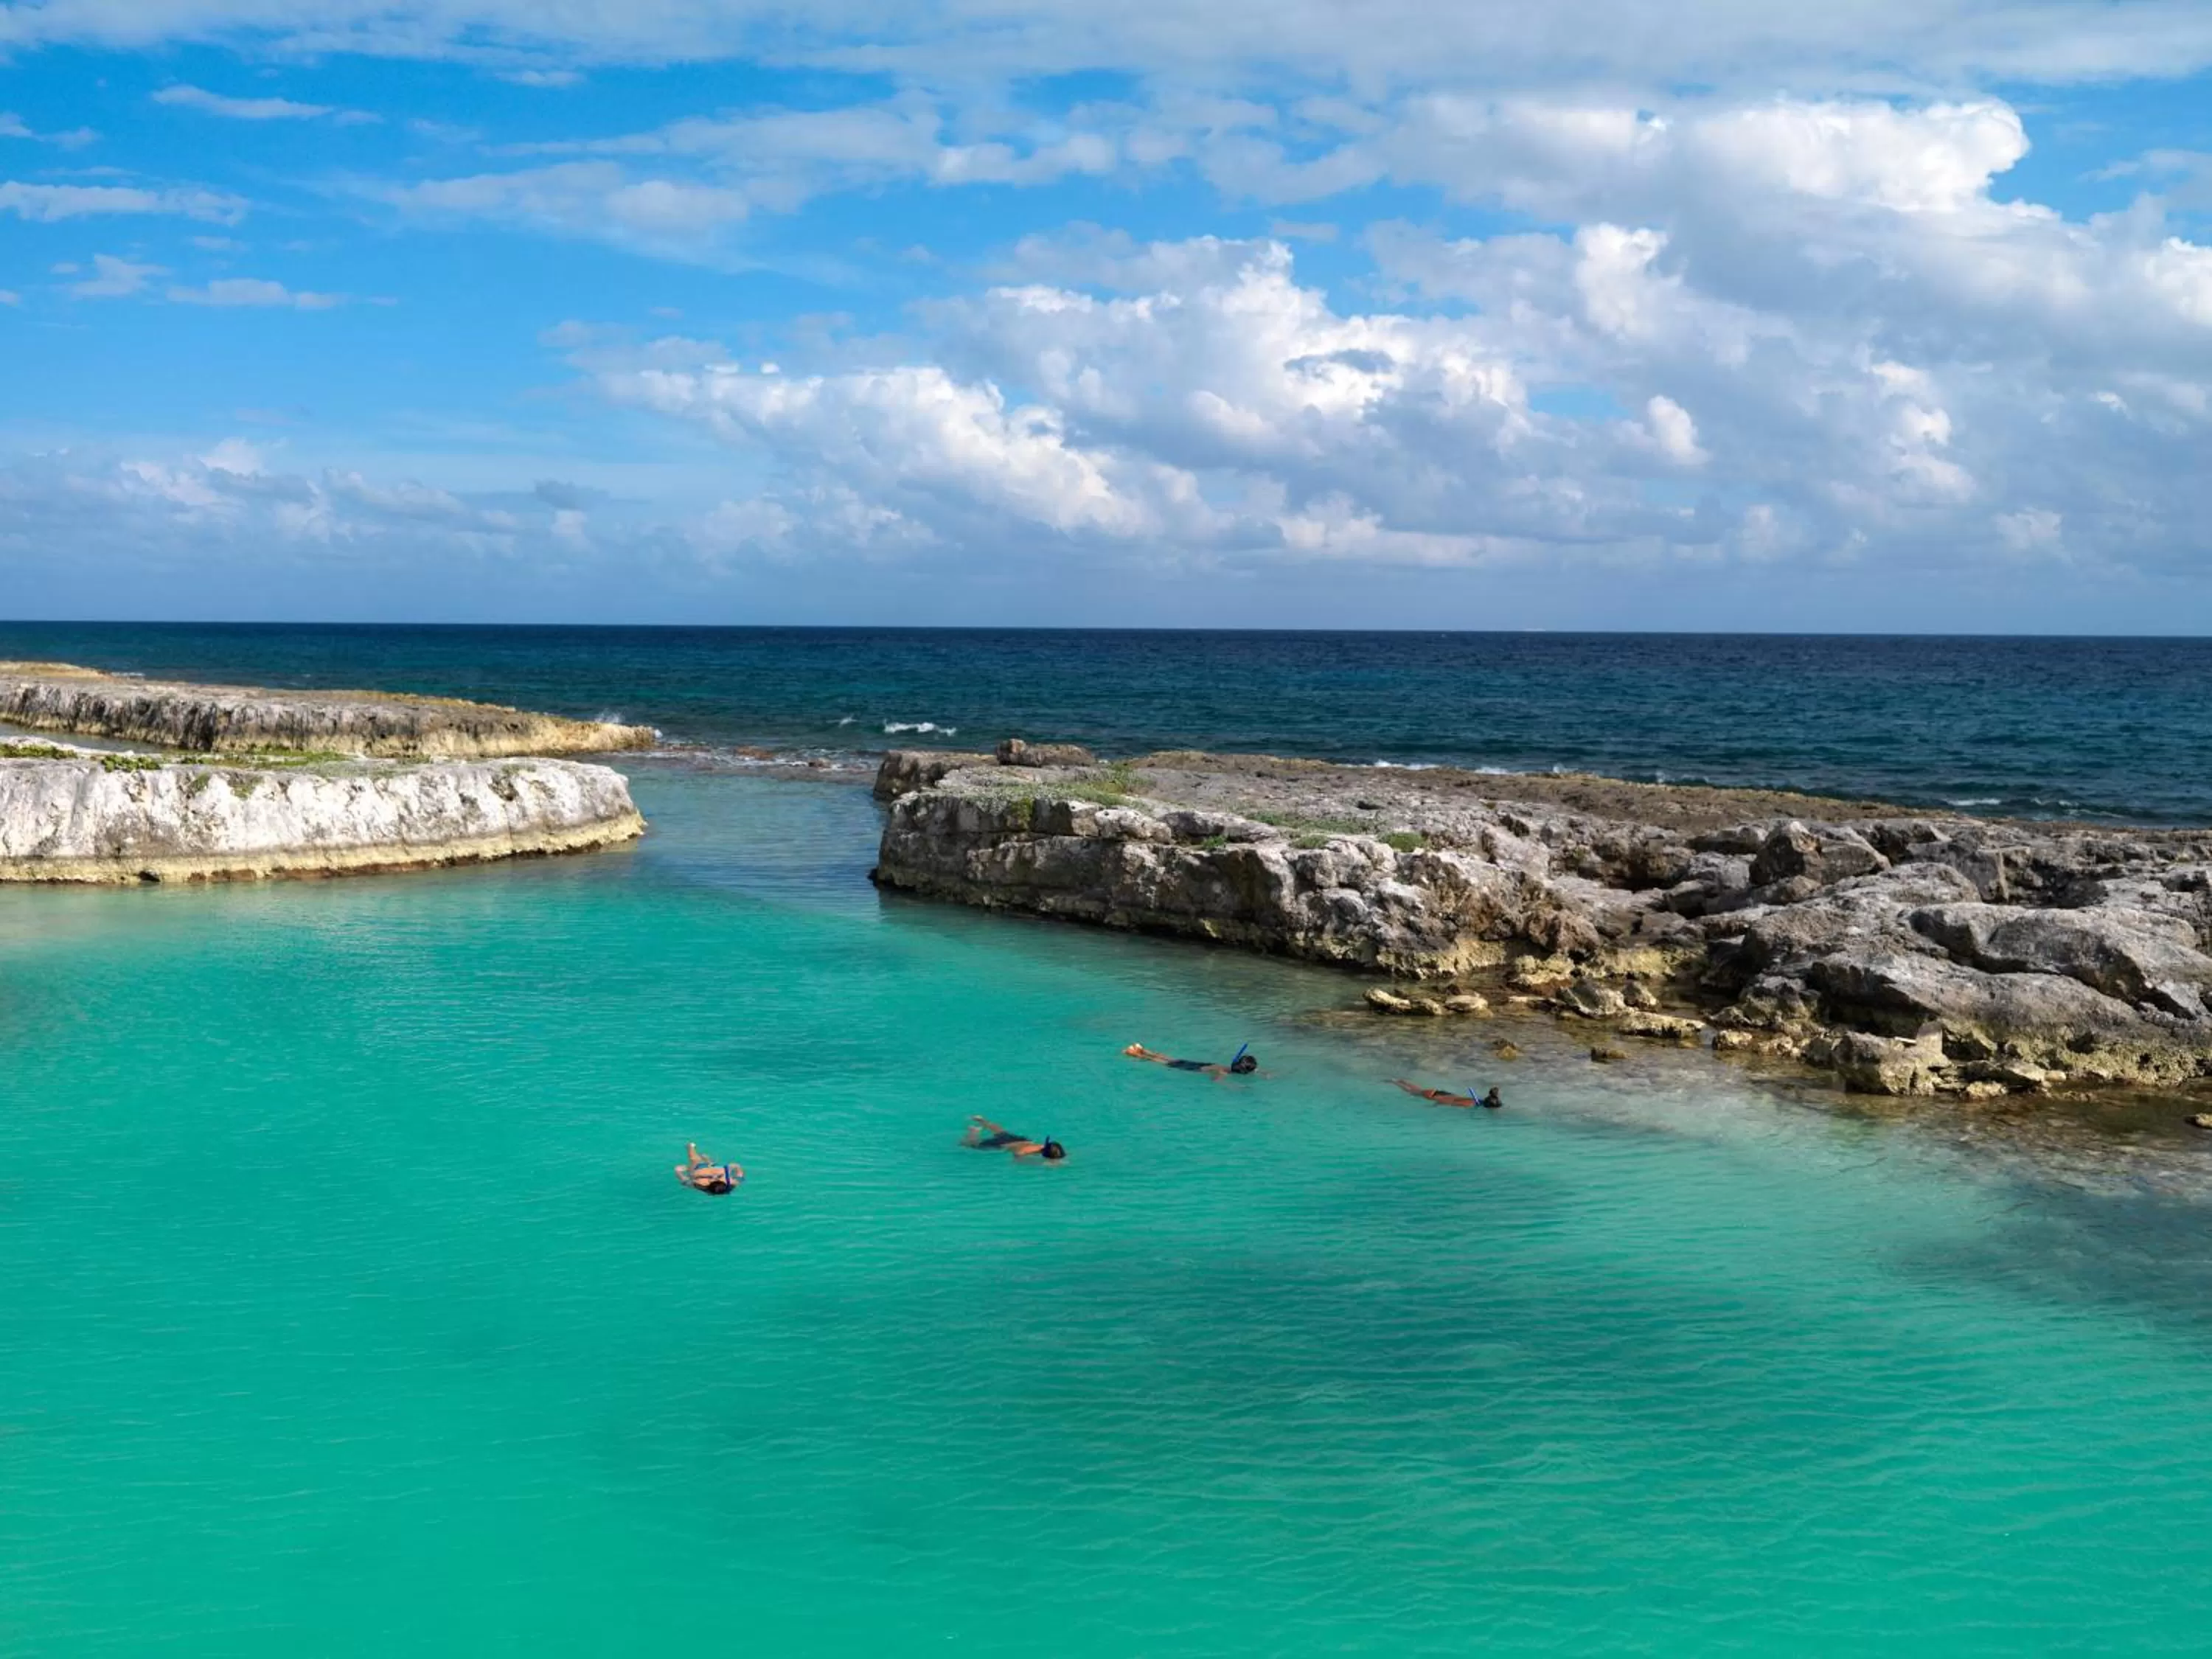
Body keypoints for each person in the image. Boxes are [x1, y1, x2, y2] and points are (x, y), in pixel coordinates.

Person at [1122, 1042, 1259, 1079]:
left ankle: (1143, 1049)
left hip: (1200, 1064)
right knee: (1166, 1063)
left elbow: (1253, 1069)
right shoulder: (1224, 1073)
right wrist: (1233, 1087)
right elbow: (1217, 1080)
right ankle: (1136, 1054)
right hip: (1195, 1069)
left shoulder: (1227, 1069)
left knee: (1171, 1059)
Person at [962, 1116, 1068, 1161]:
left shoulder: (1044, 1147)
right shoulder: (1033, 1150)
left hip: (1022, 1140)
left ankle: (982, 1120)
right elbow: (1018, 1154)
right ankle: (974, 1131)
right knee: (969, 1145)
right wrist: (1026, 1161)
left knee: (1001, 1132)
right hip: (1005, 1144)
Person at [1388, 1079, 1503, 1110]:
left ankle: (1400, 1081)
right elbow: (1450, 1102)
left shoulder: (1477, 1100)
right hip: (1436, 1096)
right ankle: (1395, 1082)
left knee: (1416, 1091)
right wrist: (1435, 1105)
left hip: (1443, 1093)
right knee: (1412, 1092)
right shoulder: (1469, 1104)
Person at [676, 1142, 743, 1193]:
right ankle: (691, 1146)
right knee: (694, 1159)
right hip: (701, 1169)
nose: (714, 1178)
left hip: (718, 1168)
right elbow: (685, 1181)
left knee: (710, 1164)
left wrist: (736, 1167)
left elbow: (740, 1175)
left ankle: (707, 1160)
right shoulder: (700, 1184)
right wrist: (678, 1171)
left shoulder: (732, 1183)